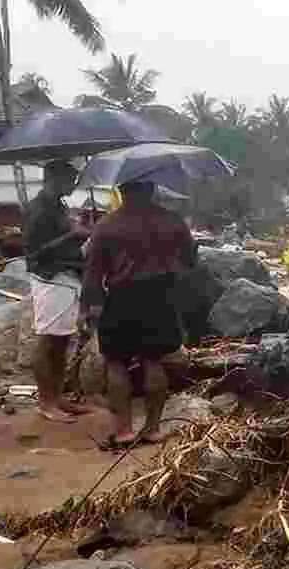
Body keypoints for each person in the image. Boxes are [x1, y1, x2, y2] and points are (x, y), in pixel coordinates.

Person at [81, 180, 197, 448]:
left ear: (121, 191)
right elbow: (190, 261)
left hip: (121, 297)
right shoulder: (172, 221)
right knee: (153, 361)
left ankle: (124, 431)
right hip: (161, 297)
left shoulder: (107, 225)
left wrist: (89, 308)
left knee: (116, 362)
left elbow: (93, 274)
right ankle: (153, 429)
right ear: (152, 190)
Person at [24, 161, 92, 424]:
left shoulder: (59, 206)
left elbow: (67, 235)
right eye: (70, 179)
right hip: (50, 278)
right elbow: (32, 251)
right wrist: (71, 235)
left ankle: (57, 396)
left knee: (62, 340)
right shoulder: (38, 209)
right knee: (48, 340)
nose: (73, 184)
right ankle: (46, 402)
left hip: (67, 276)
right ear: (53, 178)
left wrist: (79, 229)